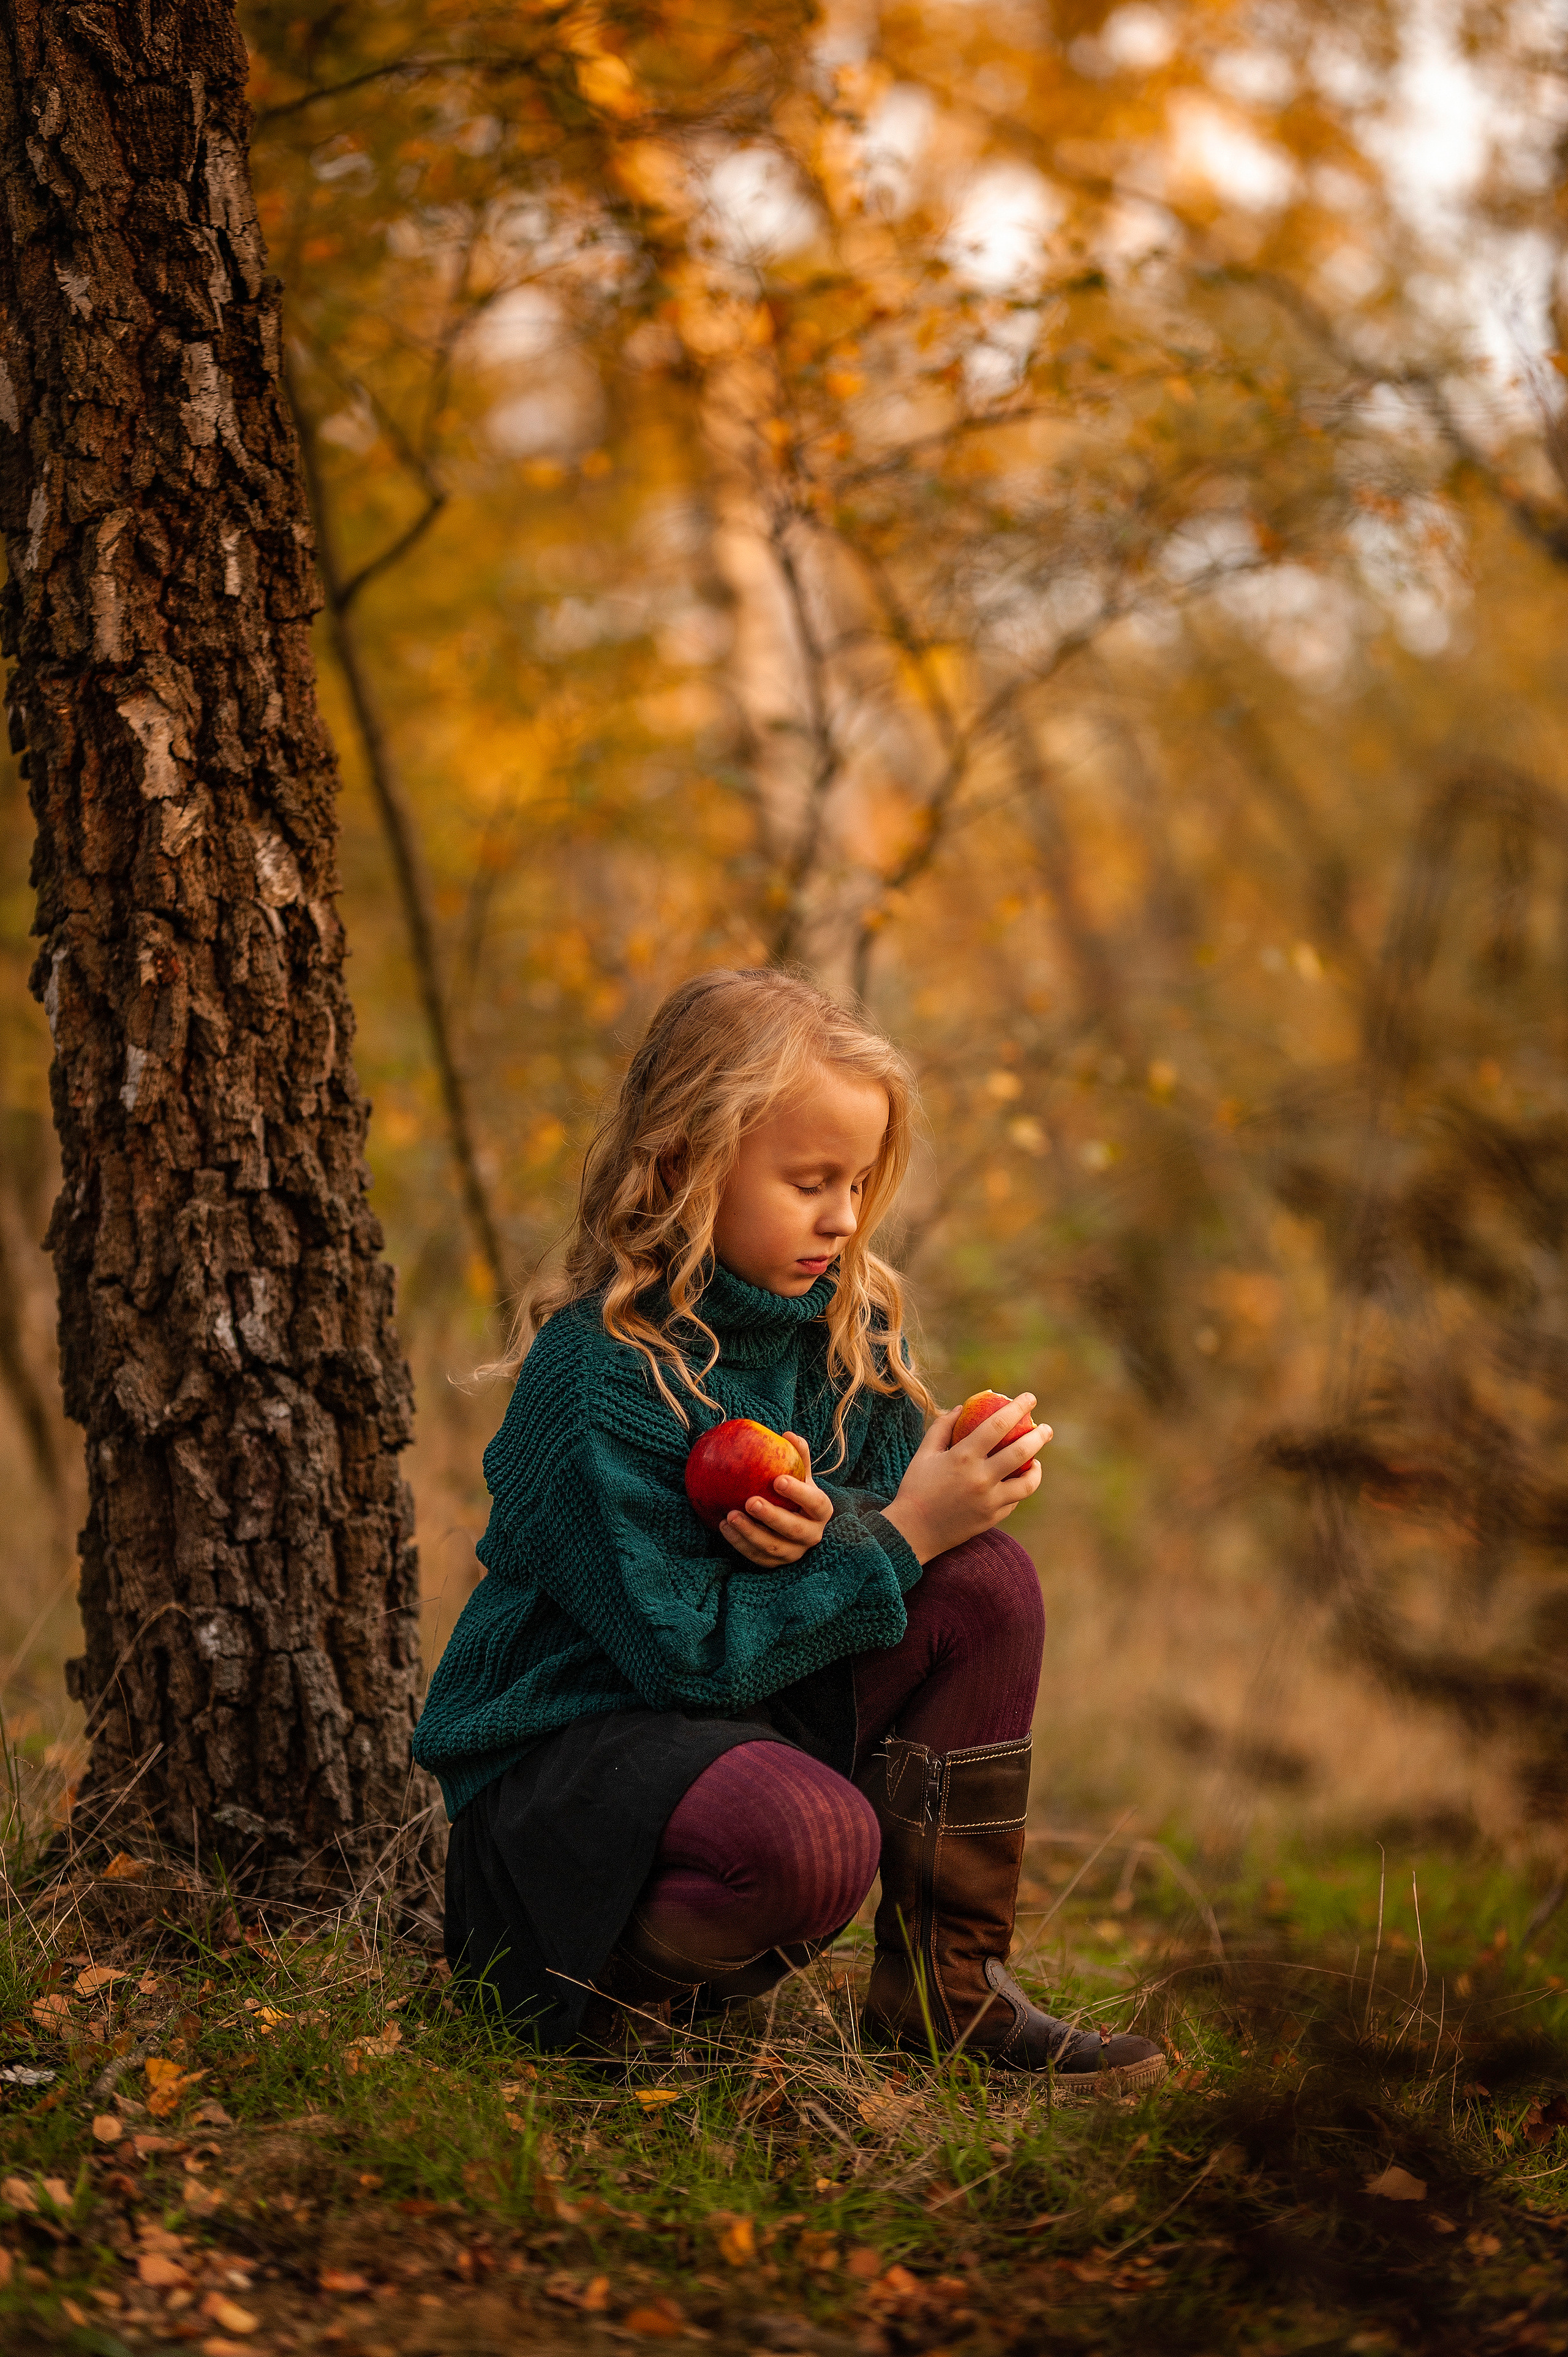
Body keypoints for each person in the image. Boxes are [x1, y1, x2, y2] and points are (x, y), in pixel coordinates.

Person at [412, 968, 1164, 2098]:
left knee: (989, 1583)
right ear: (683, 1165)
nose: (846, 1219)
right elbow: (682, 1656)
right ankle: (597, 1995)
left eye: (860, 1183)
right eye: (810, 1182)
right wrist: (900, 1530)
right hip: (573, 1772)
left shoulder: (835, 1337)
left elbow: (882, 1540)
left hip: (736, 1732)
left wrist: (922, 1500)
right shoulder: (598, 1376)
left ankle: (948, 1998)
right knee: (815, 1840)